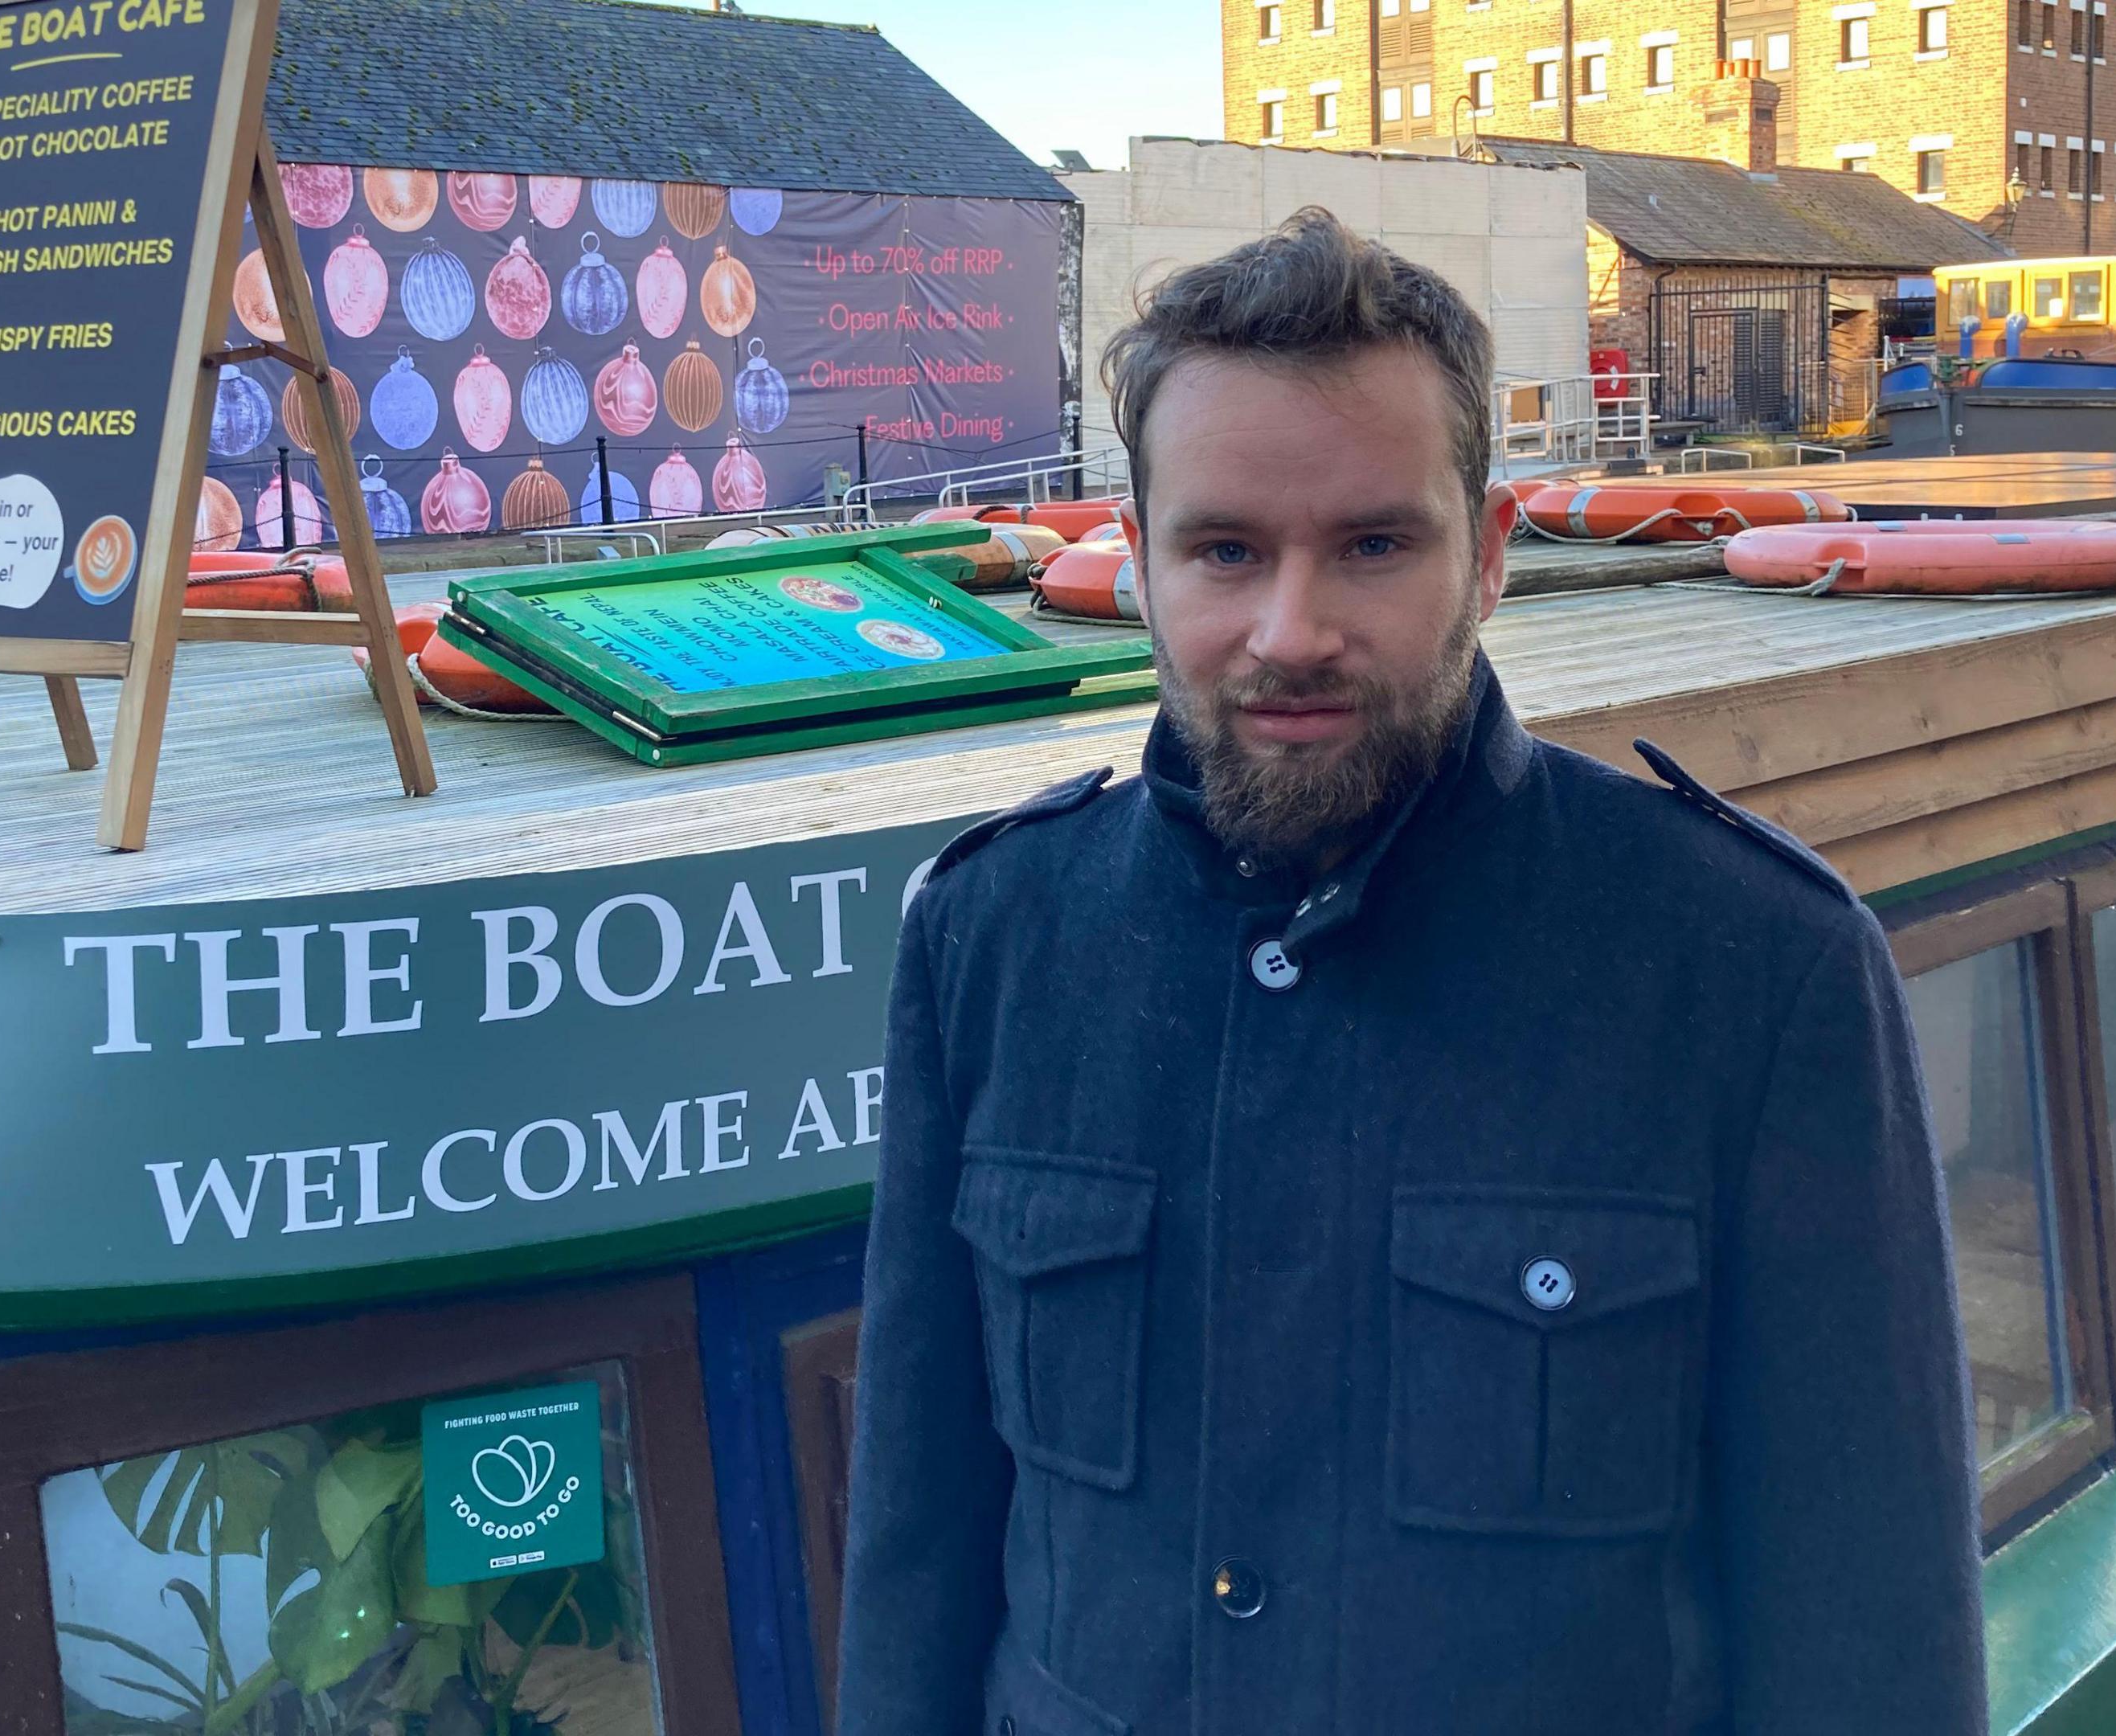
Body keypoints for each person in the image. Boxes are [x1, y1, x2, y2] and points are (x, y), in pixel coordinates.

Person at [833, 210, 1983, 1734]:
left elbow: (1869, 1621)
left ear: (1489, 554)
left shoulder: (1752, 970)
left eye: (1373, 544)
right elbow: (917, 1548)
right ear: (1141, 560)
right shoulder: (990, 939)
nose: (1290, 630)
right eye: (1226, 550)